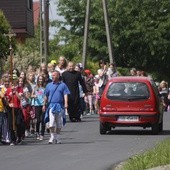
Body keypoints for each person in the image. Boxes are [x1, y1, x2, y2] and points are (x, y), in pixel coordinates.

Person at [43, 71, 70, 144]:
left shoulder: (63, 85)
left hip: (59, 106)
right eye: (52, 75)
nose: (52, 77)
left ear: (58, 76)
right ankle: (52, 136)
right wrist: (44, 104)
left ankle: (57, 137)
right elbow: (46, 95)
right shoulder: (49, 85)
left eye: (54, 75)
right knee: (51, 123)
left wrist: (66, 103)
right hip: (51, 105)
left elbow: (65, 95)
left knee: (59, 122)